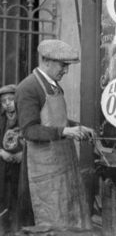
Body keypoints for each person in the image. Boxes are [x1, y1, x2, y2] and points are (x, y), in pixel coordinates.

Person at [15, 39, 96, 230]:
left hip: (62, 165)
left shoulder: (54, 86)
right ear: (46, 61)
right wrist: (65, 131)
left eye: (67, 65)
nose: (66, 71)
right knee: (47, 224)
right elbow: (29, 130)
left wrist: (78, 126)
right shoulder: (28, 88)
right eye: (63, 65)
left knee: (66, 219)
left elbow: (55, 120)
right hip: (41, 170)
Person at [0, 84, 22, 234]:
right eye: (3, 101)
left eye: (10, 99)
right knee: (3, 196)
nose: (7, 103)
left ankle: (17, 228)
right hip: (3, 164)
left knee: (19, 197)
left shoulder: (25, 116)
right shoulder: (1, 119)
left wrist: (23, 153)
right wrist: (1, 152)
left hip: (21, 165)